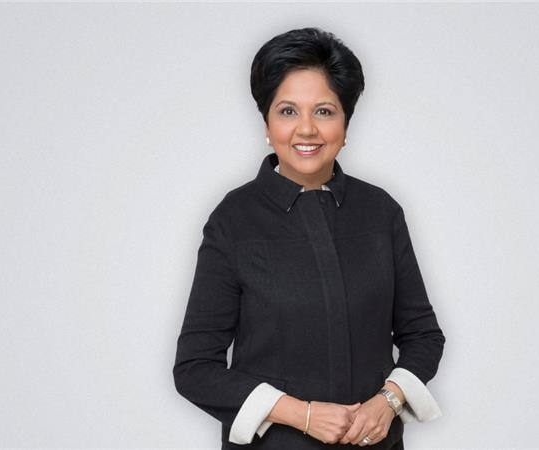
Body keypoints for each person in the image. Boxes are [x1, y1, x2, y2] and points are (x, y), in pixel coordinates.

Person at [173, 27, 446, 449]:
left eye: (324, 111)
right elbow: (194, 368)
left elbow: (423, 335)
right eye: (287, 111)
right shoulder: (234, 220)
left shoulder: (381, 212)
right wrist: (300, 414)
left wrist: (388, 402)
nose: (306, 129)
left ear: (345, 123)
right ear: (267, 124)